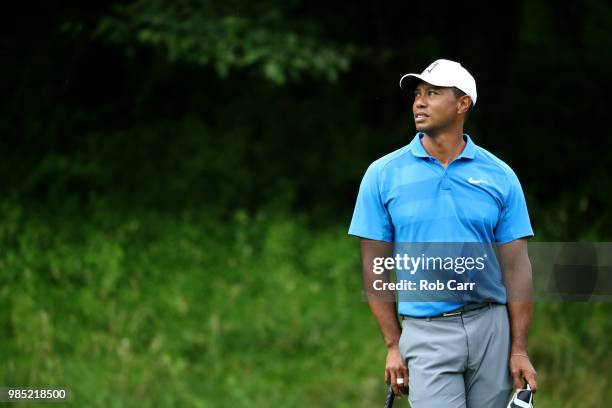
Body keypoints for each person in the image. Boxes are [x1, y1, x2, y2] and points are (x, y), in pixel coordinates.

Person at [348, 59, 537, 407]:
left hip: (491, 327)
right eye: (418, 94)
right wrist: (393, 345)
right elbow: (375, 267)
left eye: (433, 94)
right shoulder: (383, 174)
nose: (419, 102)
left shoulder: (501, 176)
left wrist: (519, 349)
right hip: (426, 330)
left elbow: (517, 268)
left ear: (462, 103)